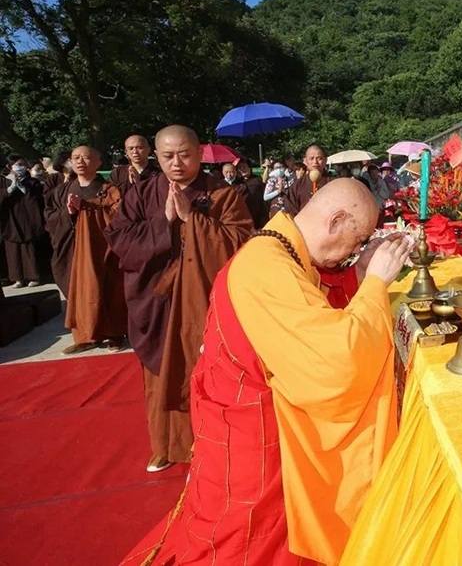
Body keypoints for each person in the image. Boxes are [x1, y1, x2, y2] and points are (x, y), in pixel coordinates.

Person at [121, 179, 410, 565]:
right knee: (247, 543)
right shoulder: (265, 266)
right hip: (251, 441)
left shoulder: (281, 249)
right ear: (336, 220)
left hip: (247, 417)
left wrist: (357, 270)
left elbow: (311, 307)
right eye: (355, 241)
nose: (352, 252)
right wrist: (375, 283)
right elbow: (335, 362)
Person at [106, 125, 253, 473]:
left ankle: (209, 443)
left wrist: (192, 219)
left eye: (185, 154)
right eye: (168, 155)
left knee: (203, 371)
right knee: (160, 377)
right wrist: (164, 221)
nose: (177, 162)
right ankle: (165, 446)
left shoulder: (223, 195)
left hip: (201, 302)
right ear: (156, 156)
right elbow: (119, 241)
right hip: (156, 301)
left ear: (199, 154)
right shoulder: (141, 195)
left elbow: (241, 243)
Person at [45, 146, 127, 354]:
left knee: (107, 289)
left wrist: (89, 210)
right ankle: (85, 335)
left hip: (100, 249)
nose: (80, 161)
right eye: (75, 157)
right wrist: (69, 212)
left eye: (86, 157)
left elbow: (117, 215)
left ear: (99, 163)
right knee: (79, 292)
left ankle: (114, 334)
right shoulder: (62, 190)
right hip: (71, 248)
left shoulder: (109, 189)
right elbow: (49, 217)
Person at [0, 159, 47, 288]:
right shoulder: (3, 181)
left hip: (27, 219)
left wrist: (22, 187)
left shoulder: (33, 182)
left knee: (28, 248)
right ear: (10, 166)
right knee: (12, 250)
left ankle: (33, 276)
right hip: (10, 220)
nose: (19, 167)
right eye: (16, 165)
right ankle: (17, 279)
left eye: (21, 165)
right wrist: (9, 190)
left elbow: (35, 199)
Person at [284, 145, 332, 215]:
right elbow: (290, 210)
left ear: (325, 160)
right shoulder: (297, 186)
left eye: (319, 158)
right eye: (311, 158)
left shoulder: (334, 183)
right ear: (305, 161)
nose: (315, 162)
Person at [237, 160, 268, 228]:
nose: (242, 169)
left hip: (259, 212)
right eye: (240, 167)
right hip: (244, 214)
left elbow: (265, 190)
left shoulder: (257, 179)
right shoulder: (237, 183)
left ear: (249, 168)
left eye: (244, 167)